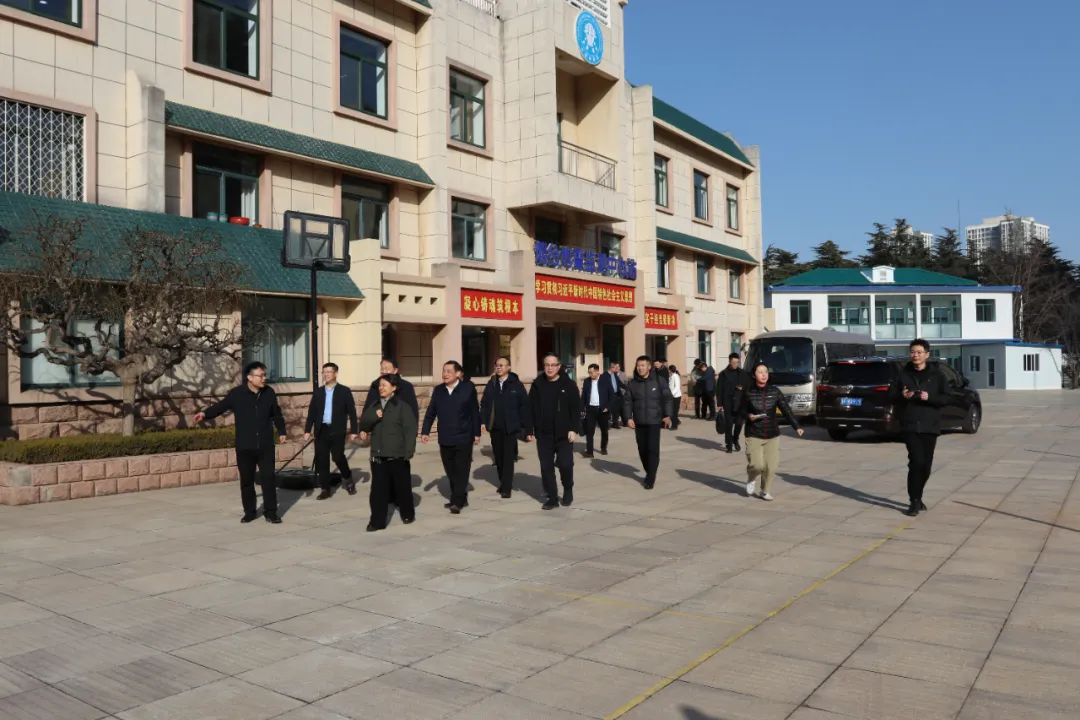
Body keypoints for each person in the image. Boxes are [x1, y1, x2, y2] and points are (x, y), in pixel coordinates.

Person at [193, 361, 286, 524]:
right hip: (245, 446)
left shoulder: (269, 393)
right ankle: (249, 512)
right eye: (261, 375)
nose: (264, 378)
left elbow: (276, 413)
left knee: (268, 479)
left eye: (264, 375)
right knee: (247, 481)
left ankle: (271, 512)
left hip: (265, 445)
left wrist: (282, 430)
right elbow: (221, 406)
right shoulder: (237, 394)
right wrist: (205, 414)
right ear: (250, 377)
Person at [890, 339, 949, 517]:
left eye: (918, 352)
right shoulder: (902, 374)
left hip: (930, 425)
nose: (915, 355)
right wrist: (902, 395)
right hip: (910, 425)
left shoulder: (937, 375)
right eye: (912, 352)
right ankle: (914, 500)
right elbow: (890, 396)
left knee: (926, 466)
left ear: (927, 354)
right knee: (917, 462)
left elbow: (947, 398)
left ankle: (918, 496)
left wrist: (929, 397)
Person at [737, 362, 805, 501]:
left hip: (772, 434)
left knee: (771, 467)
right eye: (760, 372)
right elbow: (740, 410)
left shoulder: (775, 391)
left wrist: (796, 426)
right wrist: (748, 416)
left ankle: (764, 491)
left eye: (766, 372)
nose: (764, 375)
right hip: (754, 433)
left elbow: (786, 409)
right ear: (754, 375)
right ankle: (751, 477)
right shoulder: (748, 392)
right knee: (757, 465)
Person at [421, 361, 481, 514]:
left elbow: (474, 412)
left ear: (458, 373)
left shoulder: (468, 388)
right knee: (451, 470)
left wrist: (476, 433)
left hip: (464, 436)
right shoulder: (439, 391)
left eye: (449, 371)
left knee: (462, 469)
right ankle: (461, 496)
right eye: (444, 371)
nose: (445, 374)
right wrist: (425, 431)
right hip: (445, 437)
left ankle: (457, 501)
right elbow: (431, 412)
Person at [360, 374, 417, 531]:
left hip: (397, 455)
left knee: (402, 487)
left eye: (384, 385)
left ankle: (407, 514)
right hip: (378, 455)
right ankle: (377, 522)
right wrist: (374, 416)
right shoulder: (374, 406)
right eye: (380, 385)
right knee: (378, 491)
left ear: (394, 387)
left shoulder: (402, 407)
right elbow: (364, 423)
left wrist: (408, 452)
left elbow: (410, 430)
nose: (381, 388)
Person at [528, 352, 581, 509]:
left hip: (564, 434)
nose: (549, 368)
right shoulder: (537, 385)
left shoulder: (568, 385)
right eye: (546, 365)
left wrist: (574, 428)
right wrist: (529, 429)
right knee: (546, 468)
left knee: (565, 465)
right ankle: (552, 497)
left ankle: (568, 488)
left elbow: (576, 408)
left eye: (553, 365)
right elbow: (531, 408)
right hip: (544, 434)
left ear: (559, 366)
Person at [303, 363, 359, 500]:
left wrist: (354, 430)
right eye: (324, 372)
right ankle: (325, 489)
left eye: (329, 371)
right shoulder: (318, 392)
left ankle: (347, 477)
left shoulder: (344, 391)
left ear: (335, 374)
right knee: (322, 460)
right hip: (321, 430)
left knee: (337, 456)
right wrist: (307, 430)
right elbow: (312, 412)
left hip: (337, 430)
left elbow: (352, 412)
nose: (326, 374)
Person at [480, 356, 530, 498]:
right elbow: (484, 404)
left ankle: (506, 487)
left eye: (501, 365)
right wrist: (483, 421)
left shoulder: (516, 384)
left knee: (508, 458)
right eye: (496, 365)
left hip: (511, 427)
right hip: (495, 426)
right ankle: (503, 482)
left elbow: (524, 405)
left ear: (509, 367)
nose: (498, 367)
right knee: (499, 457)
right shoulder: (492, 383)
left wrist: (526, 427)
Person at [624, 355, 673, 490]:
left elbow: (668, 399)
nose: (640, 368)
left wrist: (668, 415)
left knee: (652, 449)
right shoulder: (632, 384)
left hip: (654, 421)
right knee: (642, 450)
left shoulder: (659, 381)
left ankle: (650, 477)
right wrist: (628, 418)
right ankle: (649, 471)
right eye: (638, 365)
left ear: (649, 367)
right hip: (639, 421)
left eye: (643, 365)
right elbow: (627, 401)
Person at [717, 353, 750, 453]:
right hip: (728, 402)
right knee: (729, 424)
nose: (735, 364)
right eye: (733, 362)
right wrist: (719, 404)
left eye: (737, 362)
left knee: (739, 423)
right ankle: (729, 445)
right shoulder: (723, 374)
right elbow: (719, 389)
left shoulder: (742, 373)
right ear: (729, 362)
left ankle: (735, 439)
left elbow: (748, 385)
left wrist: (742, 388)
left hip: (740, 402)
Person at [580, 363, 613, 457]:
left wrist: (608, 407)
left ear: (598, 371)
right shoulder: (587, 381)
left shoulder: (605, 380)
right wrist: (582, 408)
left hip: (602, 410)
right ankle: (589, 452)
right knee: (589, 431)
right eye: (589, 372)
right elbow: (583, 396)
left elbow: (612, 395)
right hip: (590, 409)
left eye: (592, 372)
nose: (590, 374)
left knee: (604, 430)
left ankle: (603, 448)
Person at [608, 362, 627, 430]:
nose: (617, 369)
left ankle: (616, 423)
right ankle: (610, 423)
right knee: (611, 410)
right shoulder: (606, 375)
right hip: (610, 395)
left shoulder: (615, 375)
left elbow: (620, 383)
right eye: (616, 368)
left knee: (618, 409)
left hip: (617, 394)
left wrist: (628, 388)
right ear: (612, 368)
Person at [668, 365, 683, 430]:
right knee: (671, 411)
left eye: (668, 369)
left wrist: (672, 394)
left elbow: (677, 387)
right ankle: (677, 421)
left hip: (676, 396)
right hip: (672, 396)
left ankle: (674, 426)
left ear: (670, 370)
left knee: (674, 412)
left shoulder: (676, 376)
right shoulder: (671, 376)